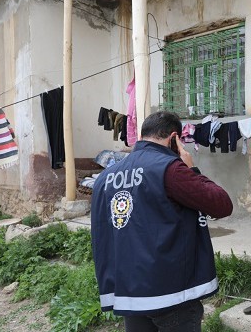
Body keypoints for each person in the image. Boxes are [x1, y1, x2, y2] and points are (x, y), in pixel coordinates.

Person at [91, 111, 233, 332]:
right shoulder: (170, 169)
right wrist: (191, 169)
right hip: (170, 292)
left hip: (129, 293)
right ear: (174, 138)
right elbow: (221, 204)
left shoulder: (105, 178)